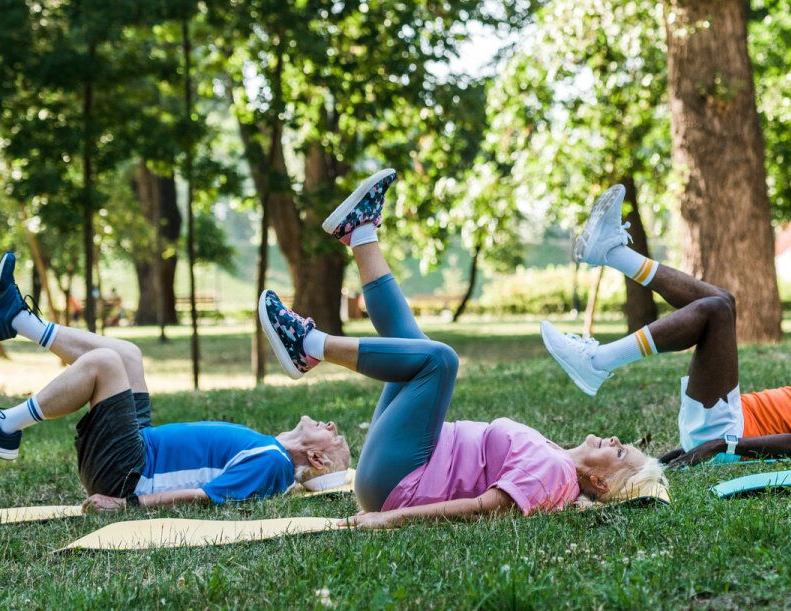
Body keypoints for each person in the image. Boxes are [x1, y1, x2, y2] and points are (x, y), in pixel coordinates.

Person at [259, 169, 666, 530]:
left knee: (440, 361)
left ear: (600, 482)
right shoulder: (555, 462)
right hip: (403, 464)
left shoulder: (554, 473)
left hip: (400, 479)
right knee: (416, 346)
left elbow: (479, 508)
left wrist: (387, 519)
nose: (615, 439)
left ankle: (309, 346)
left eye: (621, 451)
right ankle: (360, 231)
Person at [540, 186, 791, 467]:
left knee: (716, 310)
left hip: (727, 426)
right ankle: (613, 253)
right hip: (724, 416)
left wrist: (723, 444)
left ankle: (598, 361)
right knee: (724, 302)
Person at [0, 251, 352, 511]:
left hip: (129, 471)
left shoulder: (274, 464)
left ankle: (4, 427)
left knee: (106, 364)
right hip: (142, 446)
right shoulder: (271, 451)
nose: (332, 427)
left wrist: (129, 503)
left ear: (315, 460)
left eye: (335, 438)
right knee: (129, 357)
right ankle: (19, 321)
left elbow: (207, 496)